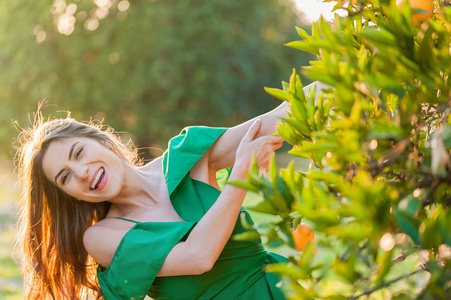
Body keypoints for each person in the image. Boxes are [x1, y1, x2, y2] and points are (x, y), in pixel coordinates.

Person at [14, 82, 326, 300]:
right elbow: (199, 256)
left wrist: (356, 73)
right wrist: (240, 173)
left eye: (79, 153)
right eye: (65, 177)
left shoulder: (186, 157)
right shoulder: (103, 237)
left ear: (103, 141)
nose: (82, 173)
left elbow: (282, 116)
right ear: (70, 195)